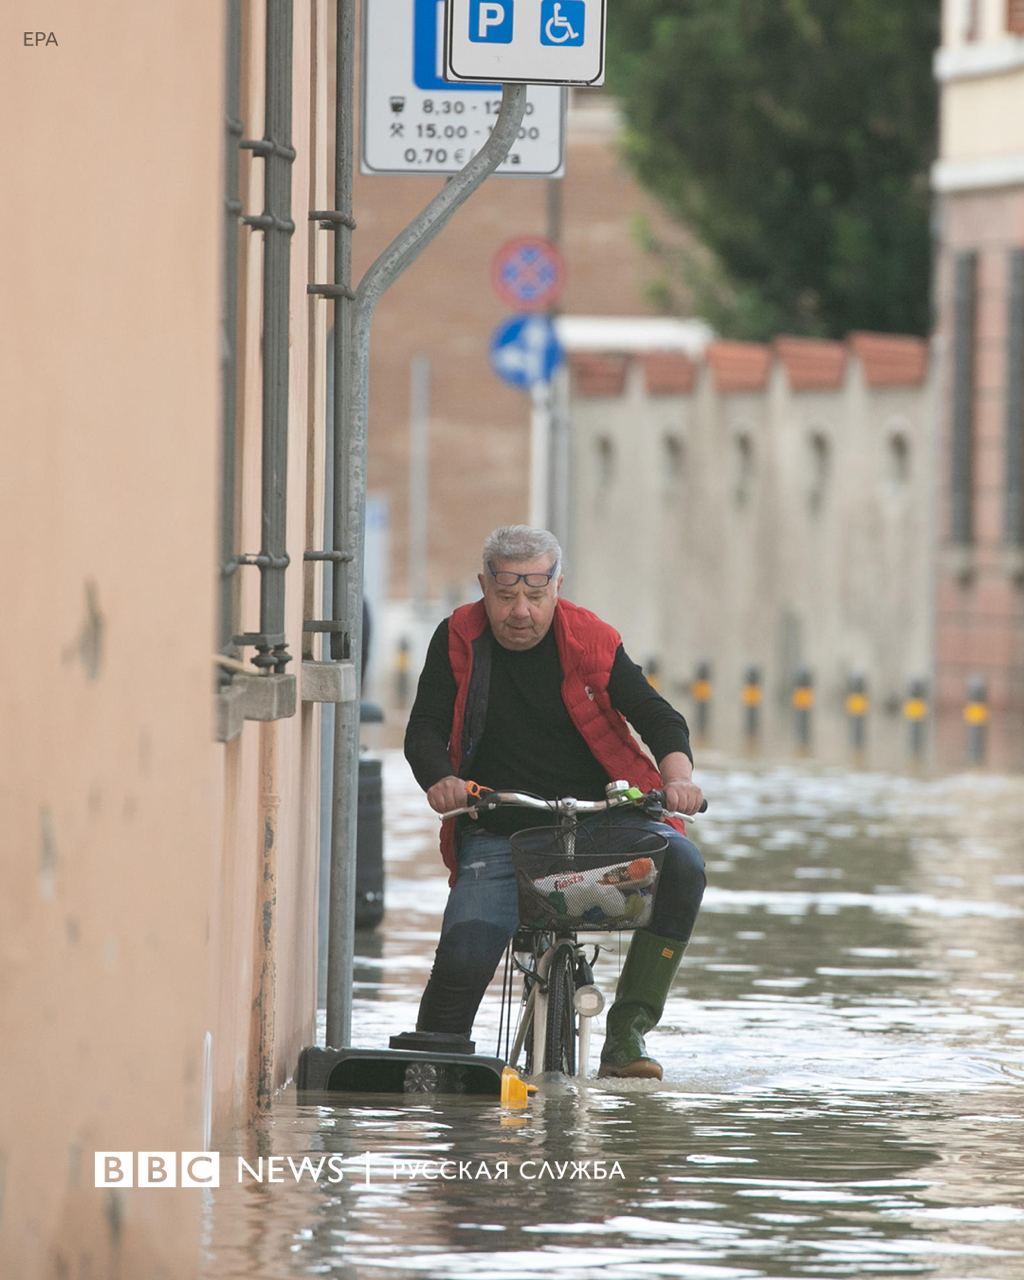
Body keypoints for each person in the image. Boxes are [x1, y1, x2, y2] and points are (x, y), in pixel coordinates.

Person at [404, 526, 706, 1079]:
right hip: (497, 827)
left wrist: (679, 775)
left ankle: (627, 1034)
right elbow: (423, 728)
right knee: (465, 951)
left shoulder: (592, 638)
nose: (521, 612)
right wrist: (440, 779)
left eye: (536, 596)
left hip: (599, 824)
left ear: (557, 588)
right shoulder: (456, 637)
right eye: (505, 596)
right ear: (483, 587)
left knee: (683, 866)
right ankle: (435, 1073)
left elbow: (658, 716)